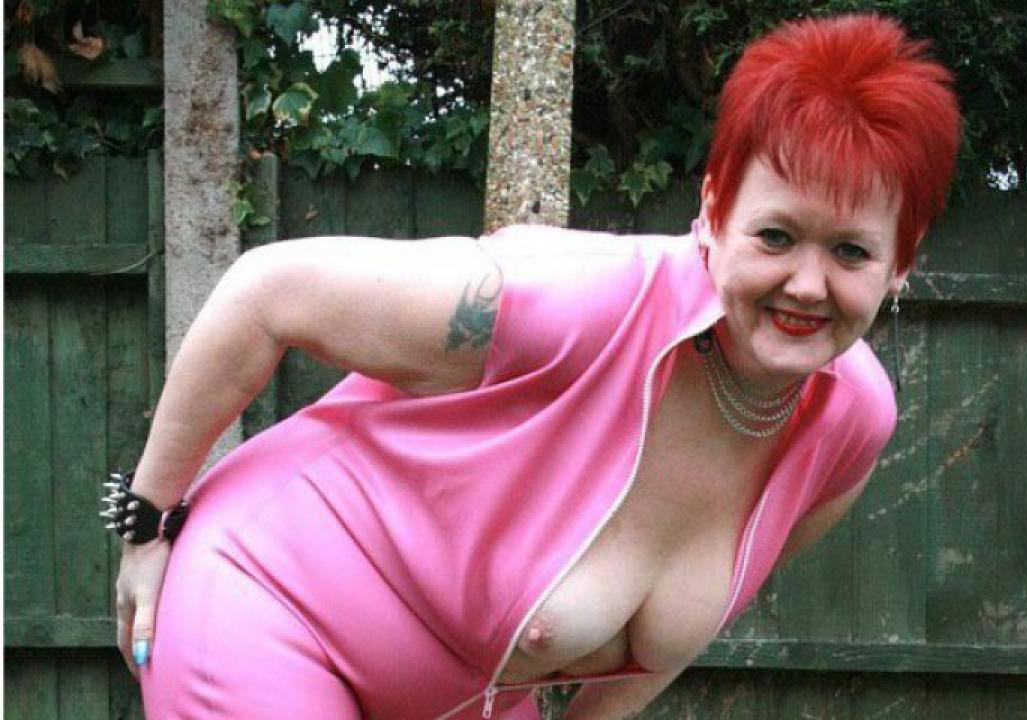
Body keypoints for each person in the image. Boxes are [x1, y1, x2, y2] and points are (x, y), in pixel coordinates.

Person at [110, 12, 960, 719]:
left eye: (851, 251)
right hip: (269, 602)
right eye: (775, 236)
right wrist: (146, 526)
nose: (806, 284)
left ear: (902, 263)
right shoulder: (568, 300)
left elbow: (663, 648)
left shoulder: (848, 425)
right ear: (712, 212)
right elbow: (268, 292)